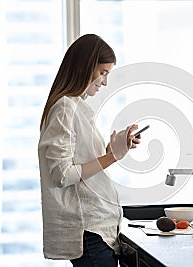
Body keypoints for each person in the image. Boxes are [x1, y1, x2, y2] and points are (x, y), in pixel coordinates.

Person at [38, 34, 140, 267]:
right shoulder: (65, 108)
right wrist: (112, 157)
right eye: (103, 72)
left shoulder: (75, 107)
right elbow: (62, 175)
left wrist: (114, 148)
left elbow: (81, 165)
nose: (104, 82)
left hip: (97, 232)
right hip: (89, 233)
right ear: (85, 67)